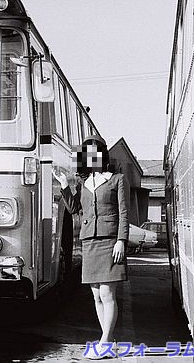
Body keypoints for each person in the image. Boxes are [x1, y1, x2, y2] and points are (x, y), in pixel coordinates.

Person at [53, 134, 128, 358]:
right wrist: (65, 185)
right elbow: (74, 209)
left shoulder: (117, 179)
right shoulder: (82, 182)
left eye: (96, 152)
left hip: (109, 240)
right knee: (96, 294)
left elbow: (124, 213)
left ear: (102, 155)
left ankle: (105, 342)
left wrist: (121, 240)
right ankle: (108, 341)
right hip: (89, 241)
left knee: (107, 292)